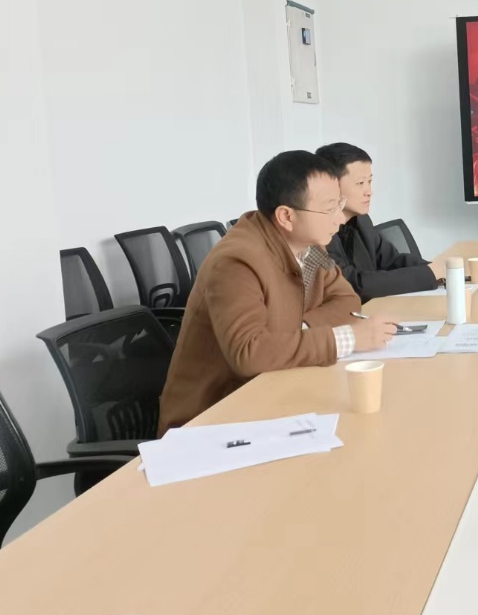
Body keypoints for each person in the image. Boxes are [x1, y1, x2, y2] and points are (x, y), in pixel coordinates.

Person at [157, 151, 396, 434]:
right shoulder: (237, 261)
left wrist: (295, 332)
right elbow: (250, 352)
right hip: (209, 422)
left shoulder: (309, 247)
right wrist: (346, 338)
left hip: (269, 397)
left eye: (339, 205)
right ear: (286, 216)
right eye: (330, 208)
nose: (339, 219)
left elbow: (346, 300)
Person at [315, 142, 439, 298]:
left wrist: (437, 269)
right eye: (360, 183)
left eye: (369, 181)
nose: (369, 192)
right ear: (332, 185)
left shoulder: (362, 221)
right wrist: (428, 274)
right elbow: (353, 285)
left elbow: (391, 260)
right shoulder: (317, 233)